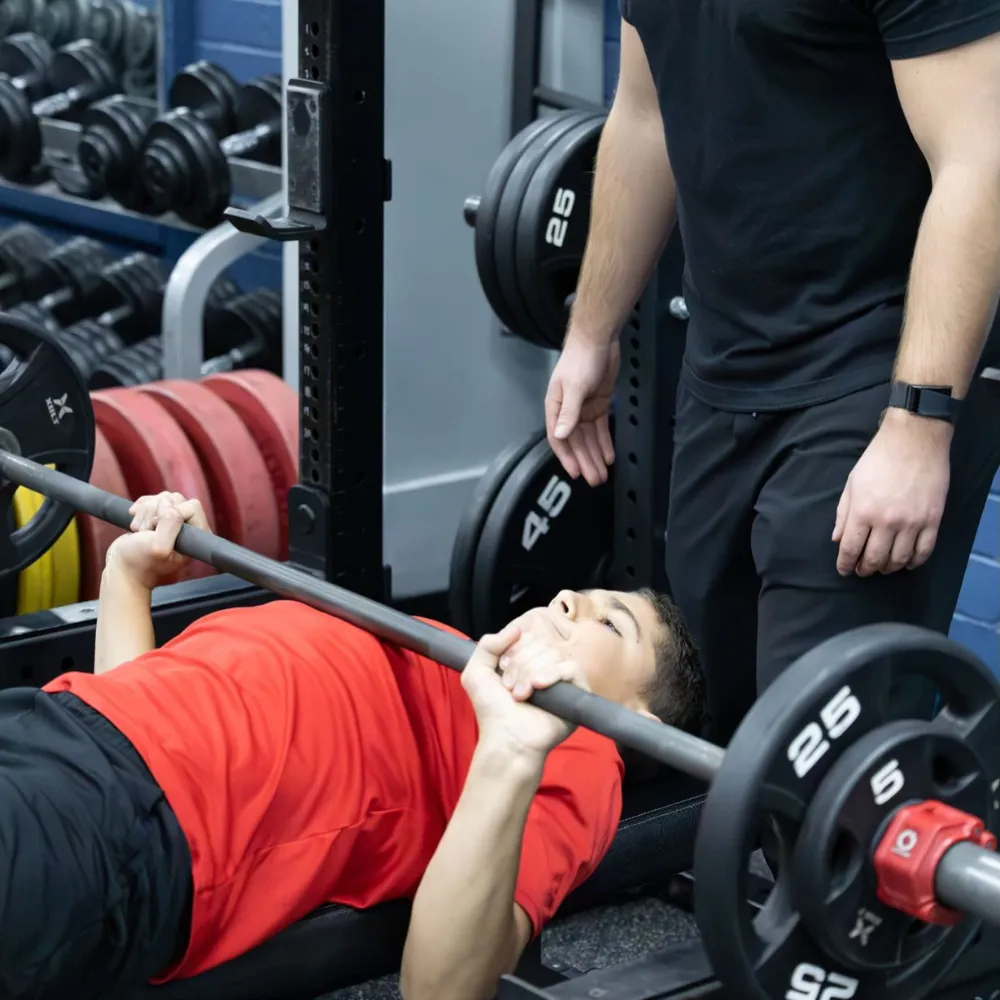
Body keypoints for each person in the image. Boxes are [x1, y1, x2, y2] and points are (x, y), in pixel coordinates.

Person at [0, 491, 703, 1000]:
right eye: (577, 596)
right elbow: (141, 711)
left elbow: (442, 989)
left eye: (612, 625)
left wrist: (513, 752)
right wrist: (128, 578)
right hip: (65, 726)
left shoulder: (575, 755)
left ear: (638, 721)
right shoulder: (459, 662)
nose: (568, 603)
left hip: (127, 820)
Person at [544, 1, 1000, 743]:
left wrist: (918, 424)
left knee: (819, 751)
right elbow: (644, 113)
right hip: (725, 371)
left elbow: (980, 162)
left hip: (876, 374)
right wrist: (591, 331)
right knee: (700, 717)